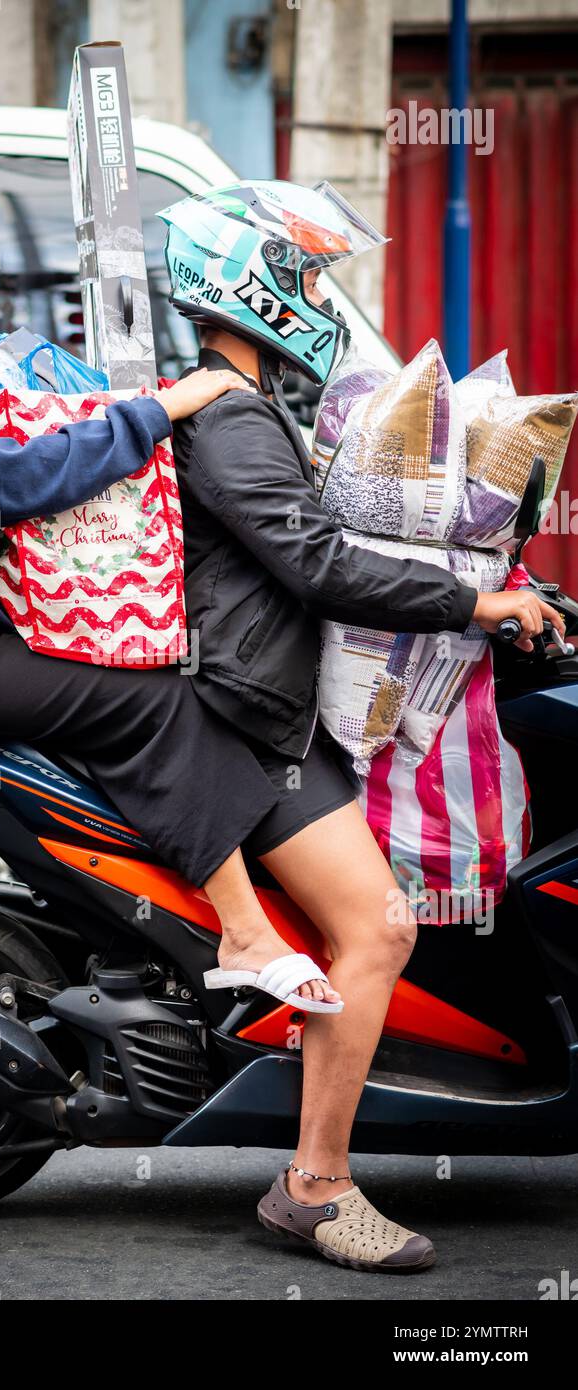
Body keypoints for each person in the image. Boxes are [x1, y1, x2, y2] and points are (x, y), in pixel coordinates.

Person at [157, 179, 566, 1271]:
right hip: (252, 724)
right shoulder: (235, 416)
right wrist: (470, 603)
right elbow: (313, 561)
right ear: (244, 281)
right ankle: (314, 1185)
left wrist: (504, 582)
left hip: (276, 704)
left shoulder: (245, 404)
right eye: (296, 270)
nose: (312, 288)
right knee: (379, 925)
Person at [0, 205, 343, 1004]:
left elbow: (14, 450)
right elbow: (20, 480)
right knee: (157, 703)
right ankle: (247, 934)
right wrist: (161, 410)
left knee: (116, 681)